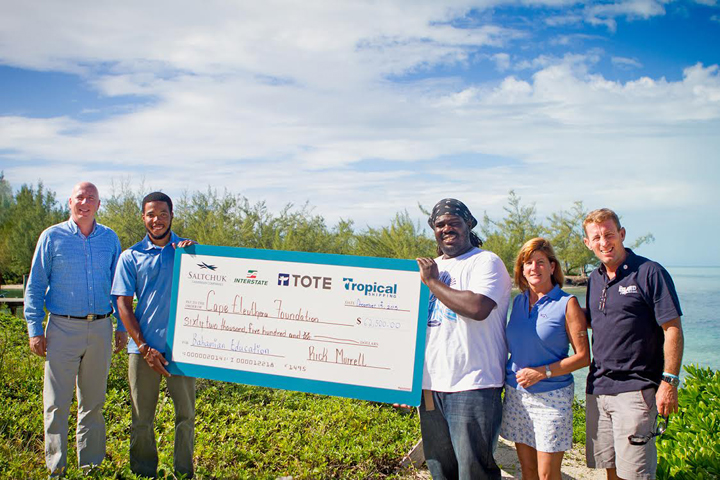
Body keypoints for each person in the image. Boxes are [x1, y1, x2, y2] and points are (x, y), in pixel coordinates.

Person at [24, 181, 127, 477]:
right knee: (56, 403)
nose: (85, 202)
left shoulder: (109, 238)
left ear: (98, 204)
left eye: (91, 198)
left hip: (101, 329)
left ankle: (91, 467)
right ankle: (56, 469)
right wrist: (34, 329)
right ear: (70, 202)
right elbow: (35, 286)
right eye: (80, 197)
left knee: (93, 403)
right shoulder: (51, 237)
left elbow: (118, 287)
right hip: (61, 328)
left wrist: (120, 326)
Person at [583, 208, 683, 480]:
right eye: (597, 237)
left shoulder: (650, 272)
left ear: (622, 234)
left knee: (636, 475)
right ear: (587, 243)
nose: (604, 242)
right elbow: (595, 321)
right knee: (611, 470)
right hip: (598, 389)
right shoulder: (594, 279)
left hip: (636, 391)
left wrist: (669, 382)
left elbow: (672, 328)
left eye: (609, 234)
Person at [416, 198, 512, 480]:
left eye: (454, 222)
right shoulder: (428, 267)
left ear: (468, 224)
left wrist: (434, 283)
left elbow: (477, 308)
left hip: (474, 384)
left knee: (474, 471)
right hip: (430, 387)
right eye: (440, 224)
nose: (447, 228)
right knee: (440, 469)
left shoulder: (486, 261)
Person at [112, 192, 197, 479]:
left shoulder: (189, 253)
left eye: (162, 213)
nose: (156, 219)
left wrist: (198, 256)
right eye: (151, 214)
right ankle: (144, 473)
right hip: (142, 351)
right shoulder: (130, 256)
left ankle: (184, 473)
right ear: (143, 218)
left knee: (186, 417)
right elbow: (123, 304)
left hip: (181, 351)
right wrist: (144, 346)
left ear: (172, 216)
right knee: (141, 419)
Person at [500, 238, 590, 480]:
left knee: (547, 474)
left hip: (552, 397)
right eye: (527, 263)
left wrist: (542, 372)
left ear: (552, 267)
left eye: (540, 262)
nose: (534, 268)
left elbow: (583, 357)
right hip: (516, 394)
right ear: (521, 270)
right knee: (527, 471)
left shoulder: (567, 303)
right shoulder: (518, 302)